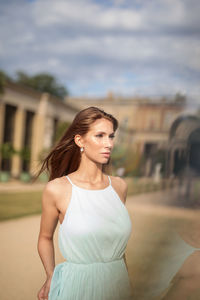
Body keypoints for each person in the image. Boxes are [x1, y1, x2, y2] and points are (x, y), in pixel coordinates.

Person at [36, 106, 133, 300]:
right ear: (80, 140)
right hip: (77, 286)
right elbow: (45, 238)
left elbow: (117, 246)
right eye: (100, 136)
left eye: (111, 136)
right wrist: (50, 275)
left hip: (118, 283)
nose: (109, 144)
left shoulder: (120, 187)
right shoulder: (57, 189)